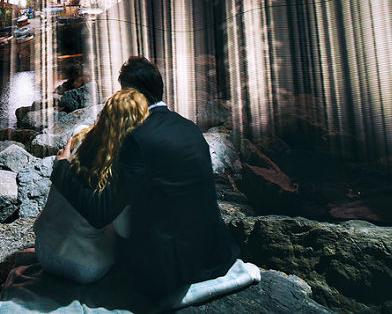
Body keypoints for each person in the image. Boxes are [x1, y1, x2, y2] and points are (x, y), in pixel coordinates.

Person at [51, 56, 240, 298]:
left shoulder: (136, 139)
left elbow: (100, 212)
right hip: (214, 255)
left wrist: (62, 169)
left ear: (131, 95)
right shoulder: (189, 127)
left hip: (167, 271)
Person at [33, 88, 147, 284]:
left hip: (43, 251)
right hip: (85, 268)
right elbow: (124, 230)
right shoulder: (120, 170)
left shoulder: (77, 137)